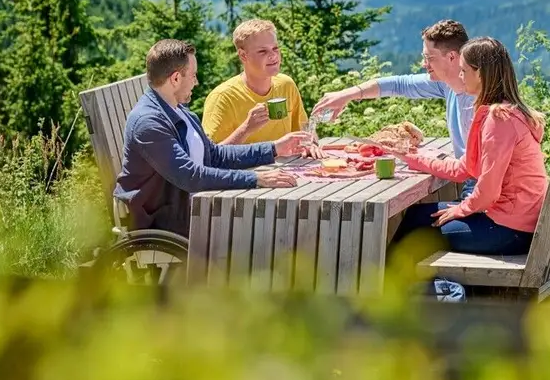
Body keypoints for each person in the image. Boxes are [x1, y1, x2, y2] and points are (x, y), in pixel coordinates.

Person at [115, 38, 309, 236]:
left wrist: (274, 148)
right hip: (164, 225)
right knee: (266, 225)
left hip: (196, 209)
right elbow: (190, 176)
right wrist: (256, 178)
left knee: (270, 222)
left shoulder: (179, 111)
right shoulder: (148, 123)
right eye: (193, 75)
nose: (196, 82)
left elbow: (215, 155)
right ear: (175, 79)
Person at [383, 37, 548, 256]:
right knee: (415, 216)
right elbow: (465, 169)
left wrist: (462, 209)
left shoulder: (500, 120)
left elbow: (488, 191)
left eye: (464, 71)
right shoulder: (510, 111)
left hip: (510, 229)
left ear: (480, 73)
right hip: (519, 220)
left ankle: (393, 278)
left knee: (417, 230)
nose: (460, 76)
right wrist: (412, 157)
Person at [312, 19, 477, 193]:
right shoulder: (447, 85)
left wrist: (414, 159)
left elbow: (469, 170)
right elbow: (399, 84)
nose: (424, 64)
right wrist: (347, 95)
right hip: (471, 188)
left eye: (429, 58)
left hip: (478, 195)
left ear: (451, 57)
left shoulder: (478, 102)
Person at [202, 18, 313, 150]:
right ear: (243, 55)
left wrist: (311, 145)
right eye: (262, 51)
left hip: (289, 163)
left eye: (275, 48)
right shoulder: (222, 97)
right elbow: (209, 155)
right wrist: (246, 129)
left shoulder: (286, 85)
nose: (273, 56)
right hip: (244, 165)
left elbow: (304, 133)